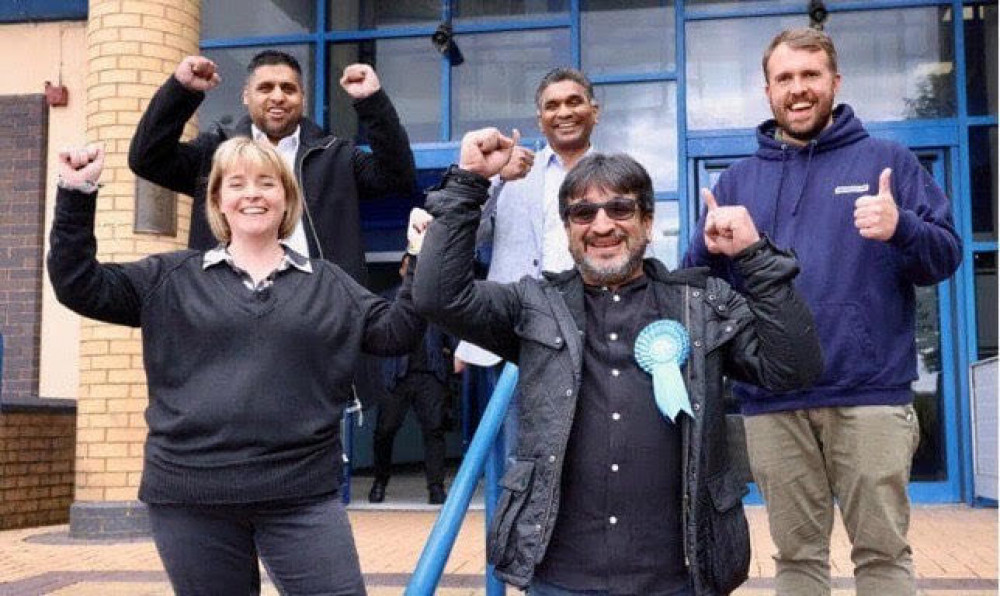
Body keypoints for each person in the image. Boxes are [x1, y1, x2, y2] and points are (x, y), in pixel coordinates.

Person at [413, 128, 824, 595]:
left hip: (677, 578)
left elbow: (793, 368)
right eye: (583, 213)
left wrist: (754, 257)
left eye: (621, 209)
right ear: (568, 230)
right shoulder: (533, 306)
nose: (602, 225)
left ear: (647, 223)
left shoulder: (703, 304)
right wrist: (469, 181)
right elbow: (437, 295)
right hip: (559, 579)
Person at [49, 138, 426, 595]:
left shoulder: (328, 284)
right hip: (192, 496)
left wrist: (421, 259)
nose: (253, 194)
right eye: (237, 183)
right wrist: (75, 193)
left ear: (286, 198)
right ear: (218, 200)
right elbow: (79, 285)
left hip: (302, 496)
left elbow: (396, 332)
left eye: (267, 183)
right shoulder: (169, 279)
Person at [683, 28, 962, 596]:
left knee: (883, 557)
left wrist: (902, 227)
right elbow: (697, 287)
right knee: (797, 560)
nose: (799, 89)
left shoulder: (888, 161)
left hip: (870, 396)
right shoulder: (738, 180)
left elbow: (946, 256)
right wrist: (706, 246)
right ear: (768, 91)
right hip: (773, 402)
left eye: (811, 75)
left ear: (835, 82)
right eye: (785, 78)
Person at [128, 50, 416, 283]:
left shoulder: (336, 155)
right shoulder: (215, 152)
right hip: (228, 312)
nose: (277, 96)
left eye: (288, 89)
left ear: (302, 98)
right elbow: (147, 159)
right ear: (246, 96)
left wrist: (372, 102)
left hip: (323, 316)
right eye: (265, 88)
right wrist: (180, 92)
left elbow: (398, 176)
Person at [454, 66, 601, 450]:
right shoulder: (513, 174)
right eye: (552, 105)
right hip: (519, 337)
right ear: (540, 118)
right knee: (521, 460)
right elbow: (466, 233)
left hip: (594, 334)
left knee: (590, 452)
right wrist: (492, 179)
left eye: (574, 102)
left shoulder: (619, 174)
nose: (564, 112)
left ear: (594, 111)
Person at [369, 253, 454, 505]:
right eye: (409, 267)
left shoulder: (436, 299)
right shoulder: (387, 298)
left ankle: (436, 489)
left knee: (434, 431)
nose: (413, 272)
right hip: (396, 375)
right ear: (401, 271)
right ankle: (379, 483)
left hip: (430, 374)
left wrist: (459, 353)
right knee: (384, 431)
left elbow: (451, 331)